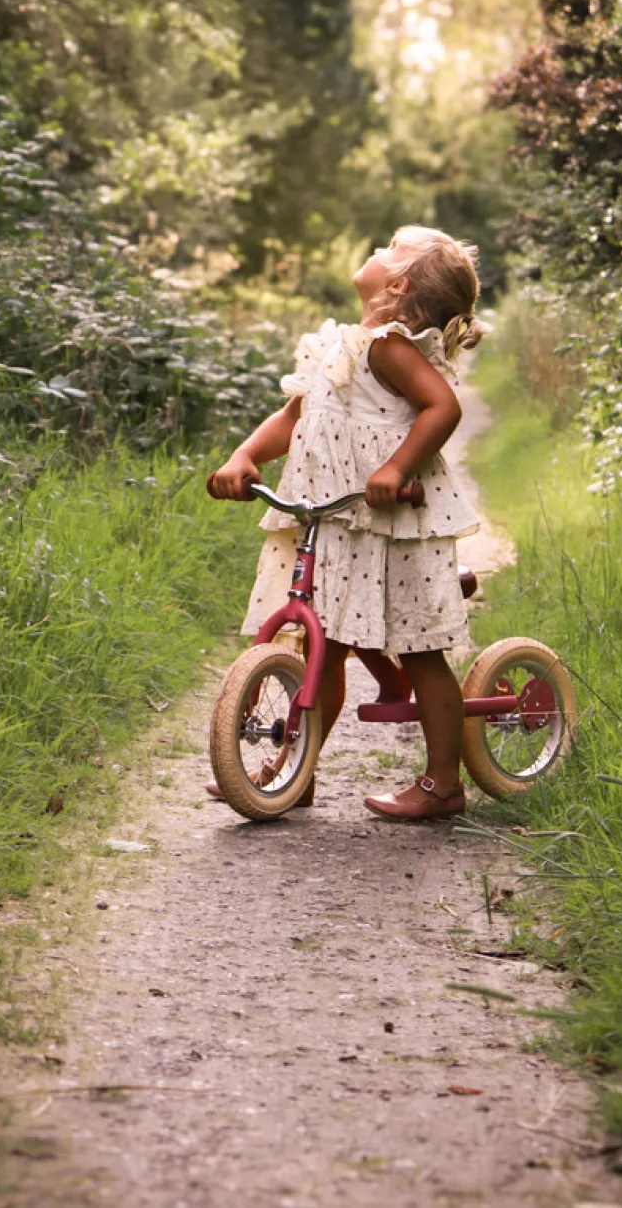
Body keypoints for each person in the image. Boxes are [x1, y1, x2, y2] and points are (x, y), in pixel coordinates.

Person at [208, 226, 483, 820]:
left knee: (420, 649)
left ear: (398, 283)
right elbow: (297, 412)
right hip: (333, 516)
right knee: (321, 647)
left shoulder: (388, 348)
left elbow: (444, 407)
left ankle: (443, 784)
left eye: (390, 249)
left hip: (392, 519)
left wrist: (396, 465)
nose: (376, 249)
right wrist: (245, 456)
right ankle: (294, 772)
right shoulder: (340, 343)